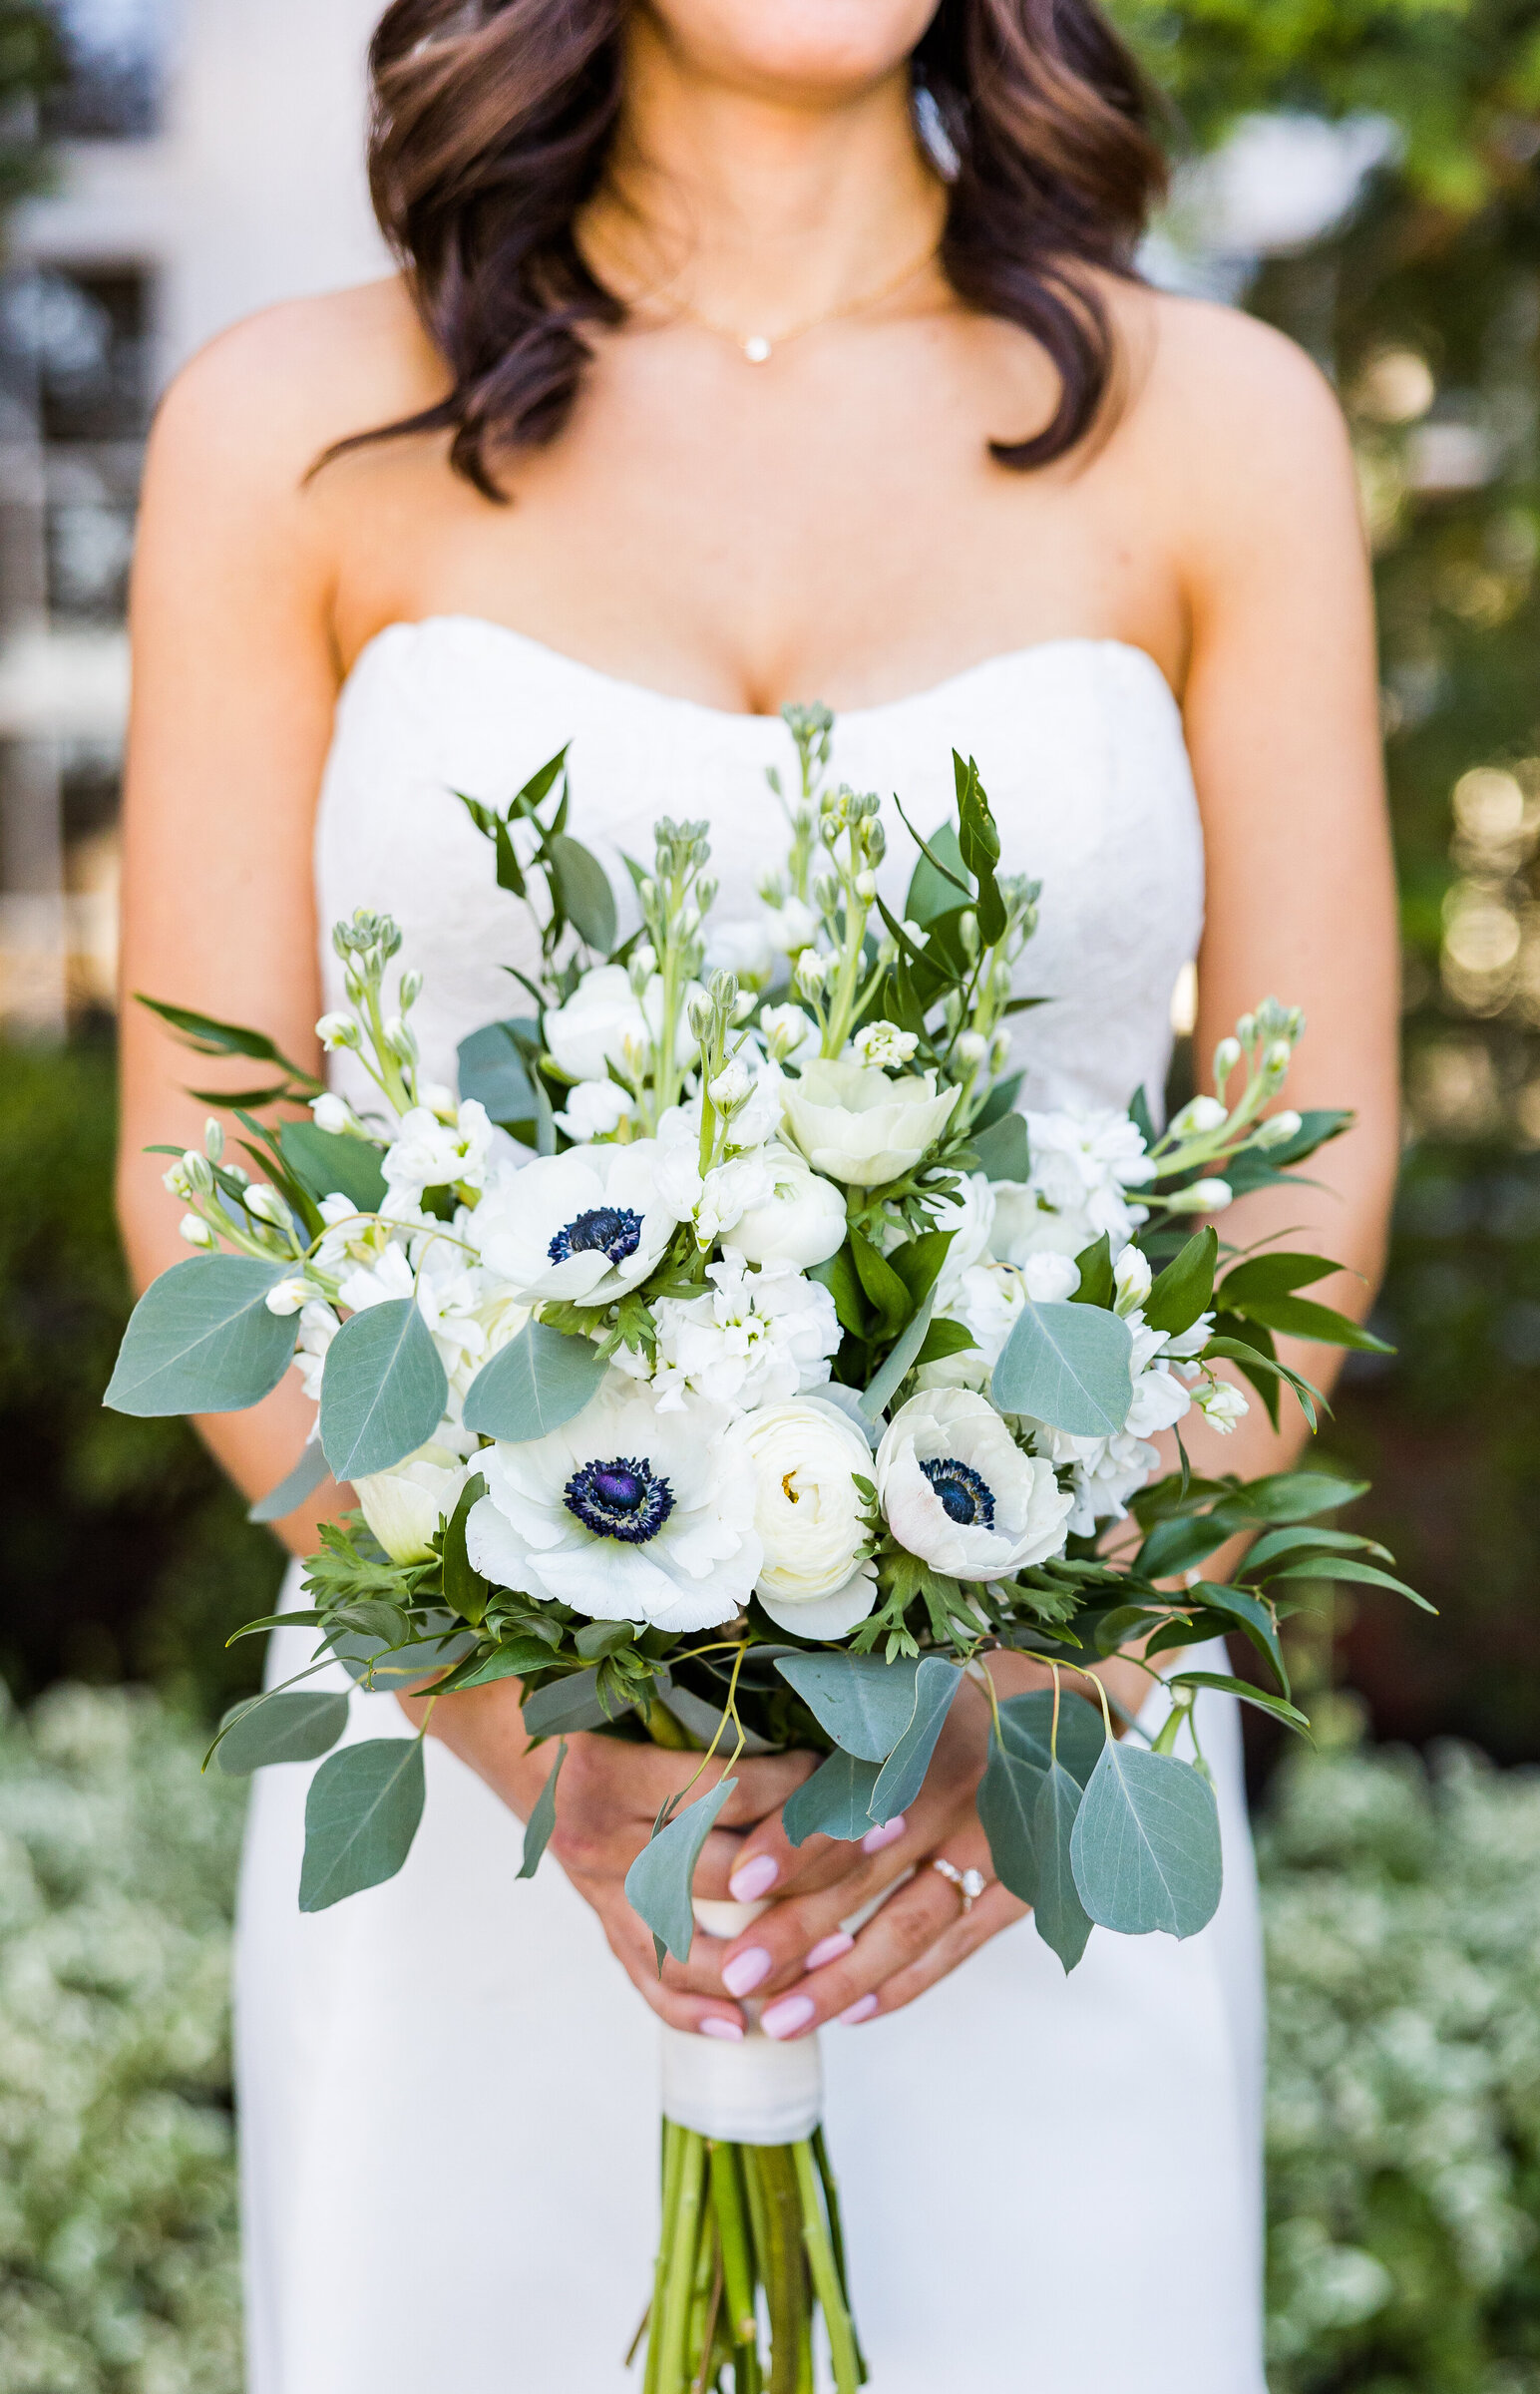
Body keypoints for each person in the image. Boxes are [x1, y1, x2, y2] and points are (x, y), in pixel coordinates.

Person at [118, 2, 1399, 2387]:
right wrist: (541, 1752)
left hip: (1036, 1817)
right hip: (473, 1794)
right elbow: (208, 1184)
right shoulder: (284, 427)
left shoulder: (1216, 426)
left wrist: (1046, 1681)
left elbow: (1299, 1178)